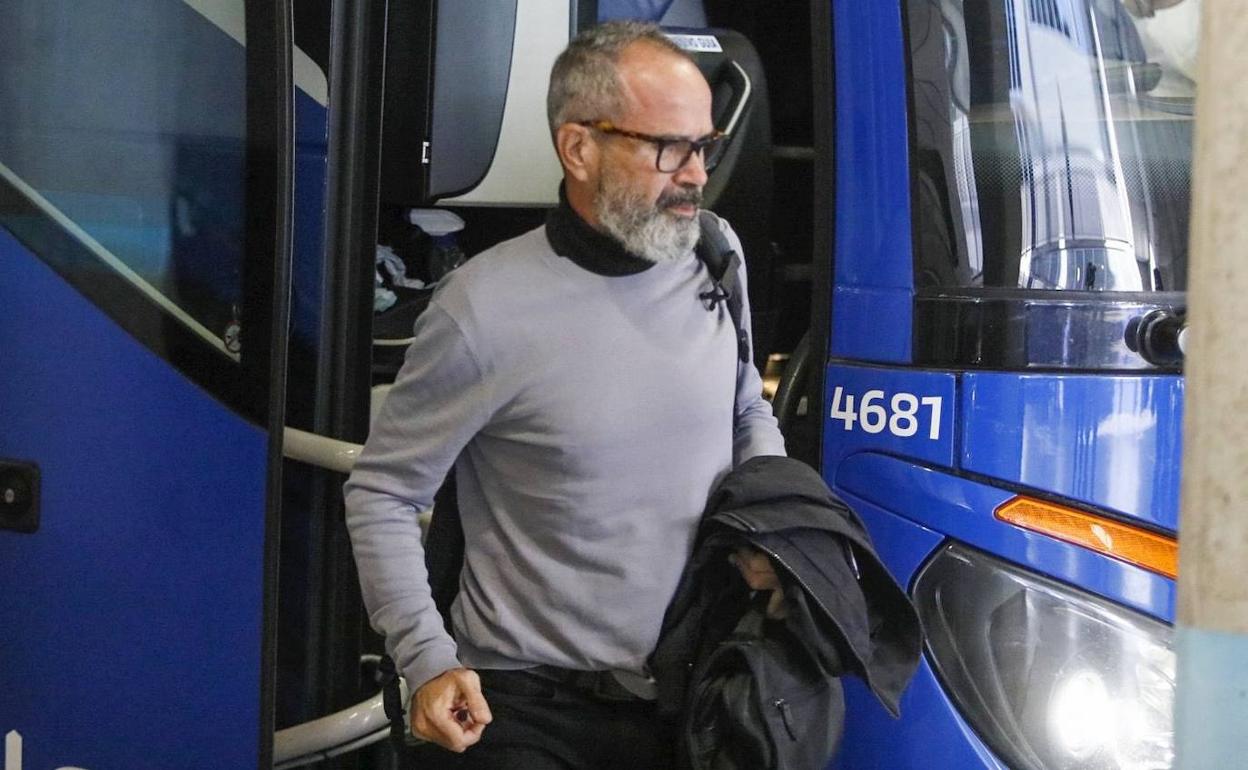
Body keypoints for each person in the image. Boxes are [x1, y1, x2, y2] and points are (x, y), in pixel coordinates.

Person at [344, 20, 786, 769]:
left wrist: (770, 528)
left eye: (704, 146)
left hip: (685, 693)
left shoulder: (717, 254)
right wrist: (426, 657)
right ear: (579, 148)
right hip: (522, 709)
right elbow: (382, 492)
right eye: (667, 148)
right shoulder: (481, 310)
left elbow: (745, 405)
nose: (696, 176)